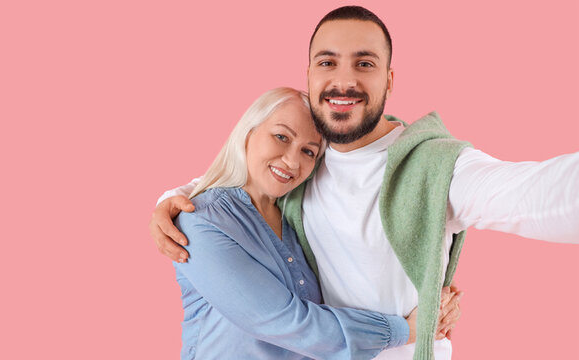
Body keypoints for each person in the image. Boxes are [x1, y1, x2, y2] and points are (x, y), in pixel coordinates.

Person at [150, 6, 579, 360]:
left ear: (389, 80)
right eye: (328, 62)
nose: (344, 80)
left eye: (365, 63)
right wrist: (175, 198)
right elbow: (253, 179)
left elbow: (535, 195)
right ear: (311, 78)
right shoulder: (307, 166)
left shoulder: (437, 167)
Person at [170, 86, 459, 360]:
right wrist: (408, 330)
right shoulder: (201, 222)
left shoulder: (295, 216)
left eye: (308, 151)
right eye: (281, 137)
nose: (292, 161)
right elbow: (286, 322)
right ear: (248, 133)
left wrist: (433, 293)